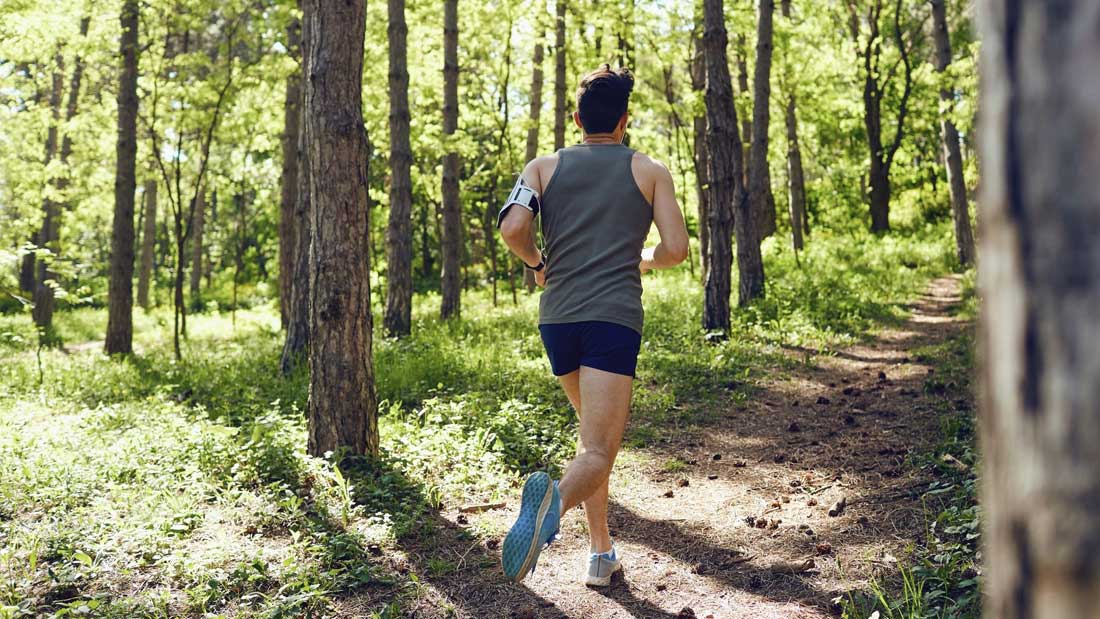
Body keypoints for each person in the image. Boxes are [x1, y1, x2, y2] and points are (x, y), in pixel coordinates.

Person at [496, 64, 690, 587]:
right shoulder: (649, 171)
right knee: (599, 451)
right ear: (624, 121)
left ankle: (601, 554)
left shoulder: (542, 167)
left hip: (558, 319)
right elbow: (676, 250)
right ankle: (548, 515)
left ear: (577, 118)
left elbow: (512, 227)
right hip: (612, 320)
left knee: (591, 443)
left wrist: (538, 263)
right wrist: (643, 259)